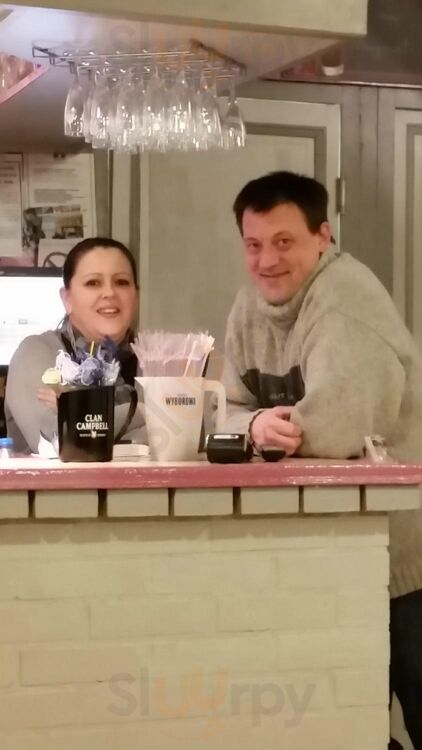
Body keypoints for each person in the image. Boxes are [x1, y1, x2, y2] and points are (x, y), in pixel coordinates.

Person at [223, 170, 422, 749]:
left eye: (284, 241)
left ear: (322, 236)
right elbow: (223, 409)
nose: (267, 261)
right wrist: (254, 427)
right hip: (336, 559)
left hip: (404, 558)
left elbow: (338, 428)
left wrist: (255, 431)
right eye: (254, 244)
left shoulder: (345, 299)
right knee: (351, 721)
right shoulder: (249, 305)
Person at [5, 237, 145, 453]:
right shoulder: (35, 352)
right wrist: (148, 412)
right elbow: (57, 438)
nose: (109, 293)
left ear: (135, 296)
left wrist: (81, 415)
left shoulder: (157, 361)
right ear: (67, 298)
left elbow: (191, 438)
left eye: (121, 282)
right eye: (93, 283)